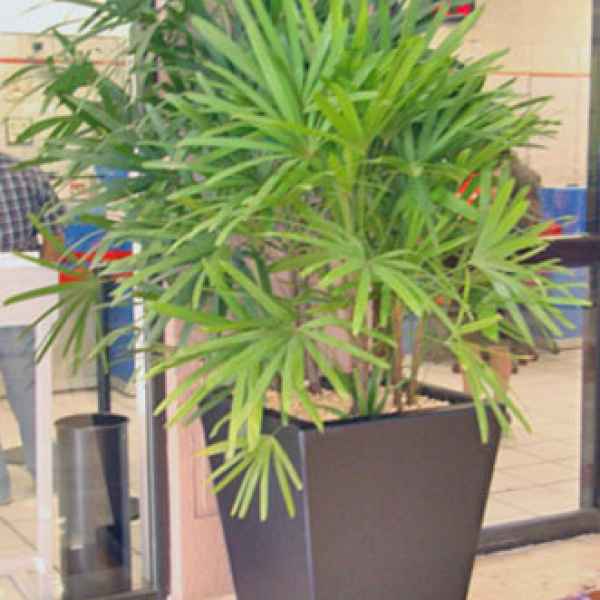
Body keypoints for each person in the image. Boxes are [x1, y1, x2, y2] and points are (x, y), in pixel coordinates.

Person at [0, 152, 63, 505]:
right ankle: (45, 471)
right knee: (26, 386)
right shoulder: (27, 172)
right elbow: (55, 236)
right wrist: (44, 285)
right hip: (21, 289)